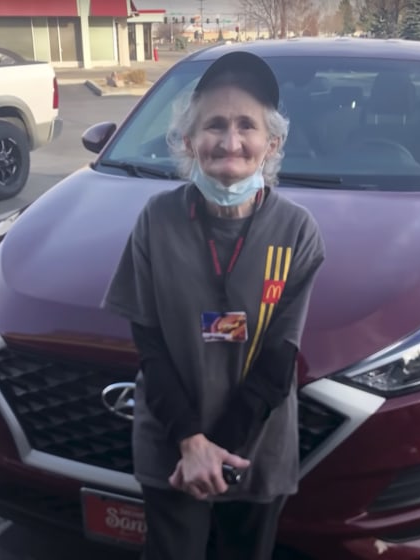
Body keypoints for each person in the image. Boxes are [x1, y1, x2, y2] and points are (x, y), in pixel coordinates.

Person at [103, 50, 325, 560]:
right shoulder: (155, 222)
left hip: (255, 451)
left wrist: (216, 451)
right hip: (171, 449)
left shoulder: (297, 232)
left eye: (247, 125)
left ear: (272, 144)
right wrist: (189, 443)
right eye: (214, 126)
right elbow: (150, 347)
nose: (230, 142)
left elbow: (278, 359)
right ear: (188, 141)